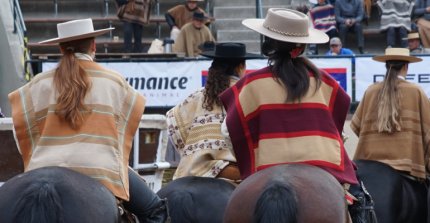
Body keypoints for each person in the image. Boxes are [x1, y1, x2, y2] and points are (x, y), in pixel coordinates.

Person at [220, 8, 375, 223]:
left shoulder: (251, 83)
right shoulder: (325, 82)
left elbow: (229, 132)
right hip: (323, 165)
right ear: (302, 46)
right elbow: (336, 130)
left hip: (266, 164)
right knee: (359, 198)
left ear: (269, 44)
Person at [8, 18, 167, 222]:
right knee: (155, 210)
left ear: (60, 47)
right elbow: (125, 130)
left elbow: (20, 132)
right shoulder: (113, 80)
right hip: (100, 166)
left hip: (44, 166)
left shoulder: (37, 84)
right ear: (93, 45)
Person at [166, 42, 259, 183]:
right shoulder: (248, 94)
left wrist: (196, 149)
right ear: (240, 67)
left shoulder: (197, 96)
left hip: (193, 169)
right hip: (234, 172)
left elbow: (173, 122)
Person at [350, 47, 429, 195]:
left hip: (368, 163)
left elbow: (357, 127)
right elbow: (428, 132)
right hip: (407, 164)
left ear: (386, 66)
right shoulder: (416, 91)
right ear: (406, 66)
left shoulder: (371, 90)